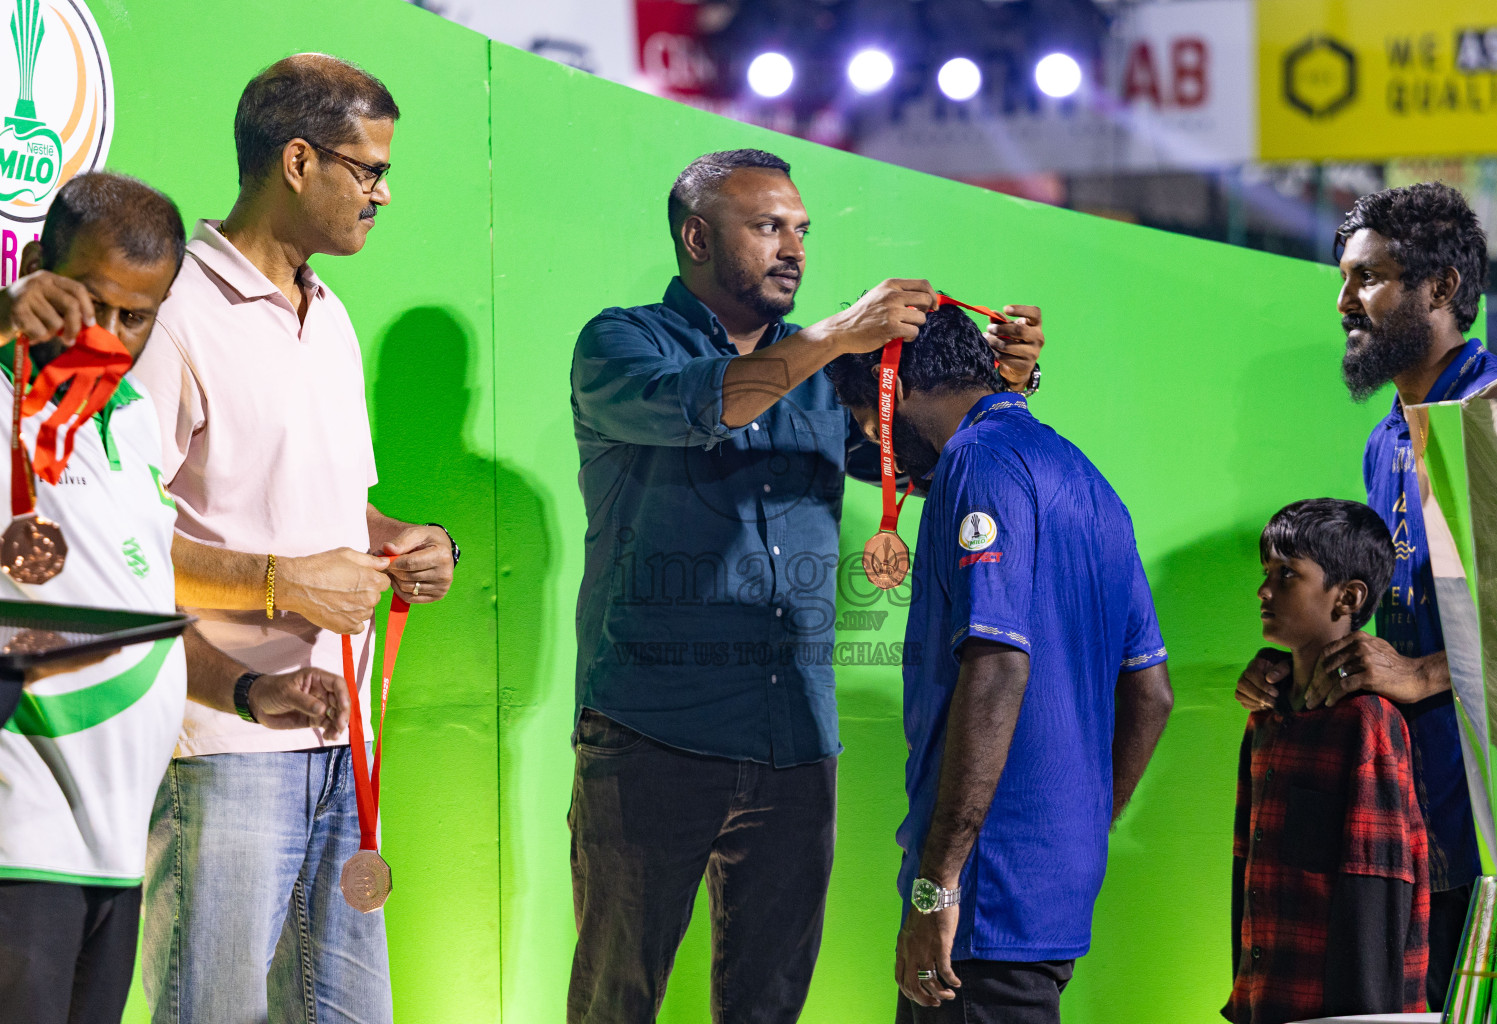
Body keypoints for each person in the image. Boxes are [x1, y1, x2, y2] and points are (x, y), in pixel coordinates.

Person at [567, 148, 1045, 1024]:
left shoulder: (829, 373)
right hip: (651, 733)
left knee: (771, 1005)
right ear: (696, 236)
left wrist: (1002, 384)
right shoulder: (620, 343)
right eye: (768, 227)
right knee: (616, 999)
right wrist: (835, 337)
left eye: (801, 230)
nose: (793, 247)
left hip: (796, 744)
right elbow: (699, 404)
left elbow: (936, 464)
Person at [132, 56, 459, 1024]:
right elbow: (119, 540)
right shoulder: (175, 312)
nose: (384, 193)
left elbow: (333, 509)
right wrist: (282, 585)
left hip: (343, 733)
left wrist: (402, 539)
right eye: (369, 169)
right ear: (300, 160)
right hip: (221, 740)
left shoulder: (333, 312)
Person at [0, 172, 351, 1024]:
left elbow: (139, 612)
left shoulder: (124, 419)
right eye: (95, 304)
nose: (113, 338)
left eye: (139, 317)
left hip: (113, 850)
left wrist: (243, 688)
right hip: (19, 842)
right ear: (41, 265)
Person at [824, 305, 1174, 1024]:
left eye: (863, 415)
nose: (868, 439)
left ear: (892, 394)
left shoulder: (974, 462)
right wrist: (1077, 829)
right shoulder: (1087, 479)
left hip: (978, 901)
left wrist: (937, 888)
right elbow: (1153, 692)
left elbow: (996, 667)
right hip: (1046, 890)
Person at [1234, 182, 1497, 1008]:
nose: (1343, 301)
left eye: (1366, 278)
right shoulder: (1385, 437)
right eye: (1345, 278)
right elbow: (1388, 625)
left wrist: (1424, 676)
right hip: (1412, 814)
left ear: (1441, 288)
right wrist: (1306, 667)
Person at [1225, 499, 1429, 1024]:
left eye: (1286, 574)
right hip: (1268, 1001)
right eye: (1266, 572)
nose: (1263, 590)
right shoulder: (1265, 716)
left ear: (1348, 597)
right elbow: (1246, 869)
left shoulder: (1367, 721)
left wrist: (1363, 1018)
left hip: (1342, 1011)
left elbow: (1376, 887)